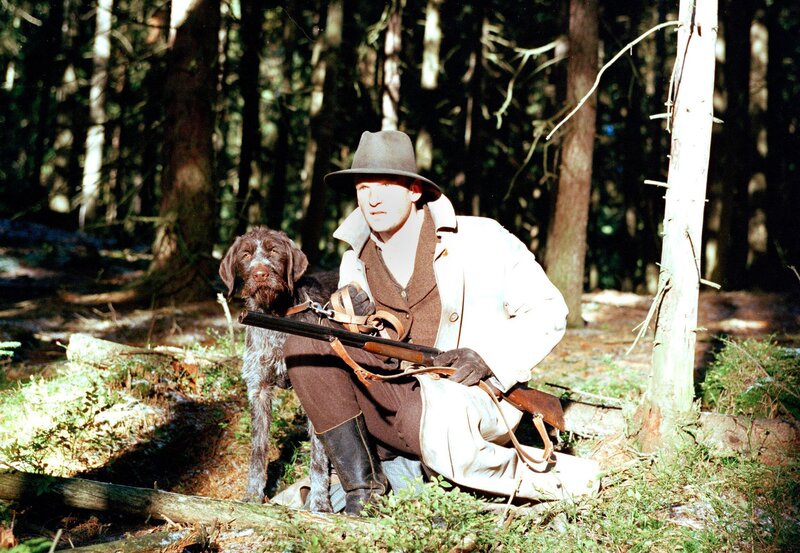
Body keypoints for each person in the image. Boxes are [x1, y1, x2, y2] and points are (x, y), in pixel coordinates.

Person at [284, 130, 599, 515]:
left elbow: (548, 310)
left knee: (432, 419)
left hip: (461, 401)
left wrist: (488, 358)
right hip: (390, 396)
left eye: (386, 186)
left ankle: (436, 476)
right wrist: (353, 321)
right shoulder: (355, 259)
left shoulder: (482, 238)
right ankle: (364, 490)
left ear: (414, 191)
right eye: (364, 188)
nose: (373, 198)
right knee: (304, 343)